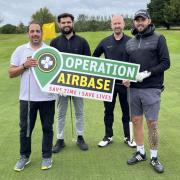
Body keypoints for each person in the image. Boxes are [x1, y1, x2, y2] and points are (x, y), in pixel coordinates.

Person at [124, 9, 170, 173]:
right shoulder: (130, 42)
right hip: (134, 90)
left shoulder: (158, 38)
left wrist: (148, 73)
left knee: (152, 123)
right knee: (136, 120)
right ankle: (140, 152)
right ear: (134, 23)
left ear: (149, 21)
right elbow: (126, 67)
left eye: (142, 20)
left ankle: (154, 157)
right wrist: (126, 78)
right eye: (137, 20)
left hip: (151, 88)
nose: (140, 23)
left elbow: (165, 63)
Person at [9, 21, 56, 171]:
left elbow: (58, 74)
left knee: (47, 128)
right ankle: (24, 156)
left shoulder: (50, 50)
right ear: (28, 33)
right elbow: (11, 73)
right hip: (27, 98)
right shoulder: (20, 50)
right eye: (32, 31)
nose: (35, 34)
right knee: (25, 128)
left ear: (42, 33)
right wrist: (24, 65)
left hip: (47, 98)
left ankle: (47, 156)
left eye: (38, 31)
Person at [93, 15, 136, 148]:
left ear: (124, 25)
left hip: (126, 84)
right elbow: (94, 58)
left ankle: (128, 137)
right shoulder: (105, 42)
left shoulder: (131, 41)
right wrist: (101, 74)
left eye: (119, 23)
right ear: (111, 25)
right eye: (114, 23)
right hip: (108, 84)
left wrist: (131, 77)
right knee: (108, 111)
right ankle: (108, 136)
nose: (117, 25)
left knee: (126, 111)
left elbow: (136, 59)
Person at [50, 13, 91, 153]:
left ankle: (80, 137)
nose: (66, 25)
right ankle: (60, 139)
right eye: (63, 22)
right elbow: (52, 67)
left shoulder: (82, 41)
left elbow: (89, 64)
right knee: (61, 113)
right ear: (59, 24)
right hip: (60, 85)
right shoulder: (54, 43)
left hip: (79, 84)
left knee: (79, 112)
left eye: (68, 22)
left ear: (72, 23)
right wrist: (57, 84)